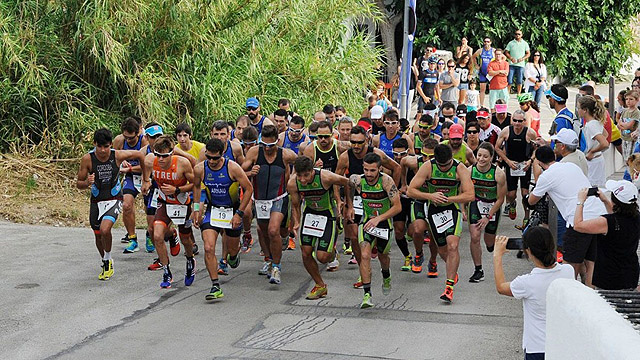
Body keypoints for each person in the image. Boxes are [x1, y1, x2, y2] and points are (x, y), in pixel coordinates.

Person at [527, 146, 606, 287]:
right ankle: (590, 291)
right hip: (598, 213)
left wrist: (538, 173)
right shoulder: (570, 165)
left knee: (570, 265)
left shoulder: (546, 176)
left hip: (579, 219)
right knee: (590, 261)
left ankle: (569, 294)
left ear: (539, 162)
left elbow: (531, 200)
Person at [493, 227, 575, 360]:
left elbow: (501, 287)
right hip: (562, 346)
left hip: (537, 347)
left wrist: (497, 255)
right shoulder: (568, 271)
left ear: (528, 251)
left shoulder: (527, 283)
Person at [76, 128, 147, 280]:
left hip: (114, 197)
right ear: (94, 144)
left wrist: (146, 179)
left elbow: (141, 155)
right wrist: (87, 183)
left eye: (106, 146)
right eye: (99, 146)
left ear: (111, 145)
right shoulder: (87, 159)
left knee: (105, 229)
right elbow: (78, 184)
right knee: (97, 235)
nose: (103, 150)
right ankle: (106, 260)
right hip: (96, 199)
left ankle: (107, 259)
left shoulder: (117, 155)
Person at [408, 144, 475, 302]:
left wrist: (448, 199)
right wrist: (431, 196)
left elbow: (470, 195)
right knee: (443, 251)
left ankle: (449, 287)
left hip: (452, 209)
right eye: (441, 165)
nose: (444, 168)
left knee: (453, 245)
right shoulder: (428, 166)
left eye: (447, 165)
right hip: (434, 211)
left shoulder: (460, 168)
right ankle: (453, 271)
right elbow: (411, 190)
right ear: (435, 160)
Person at [335, 126, 401, 283]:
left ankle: (377, 261)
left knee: (380, 246)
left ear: (367, 140)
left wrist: (393, 192)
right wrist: (341, 201)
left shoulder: (377, 154)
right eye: (353, 143)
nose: (356, 146)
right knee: (352, 235)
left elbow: (396, 168)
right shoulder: (345, 157)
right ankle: (363, 270)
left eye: (359, 143)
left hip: (377, 198)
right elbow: (337, 180)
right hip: (355, 198)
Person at [192, 138, 253, 300]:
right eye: (208, 157)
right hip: (213, 210)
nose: (211, 161)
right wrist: (196, 209)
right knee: (208, 247)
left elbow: (248, 189)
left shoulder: (232, 168)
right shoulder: (200, 169)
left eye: (215, 158)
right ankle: (215, 285)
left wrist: (239, 214)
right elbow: (197, 187)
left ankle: (233, 256)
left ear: (222, 155)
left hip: (232, 210)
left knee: (232, 250)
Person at [345, 153, 402, 308]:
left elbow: (398, 207)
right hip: (366, 223)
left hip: (383, 224)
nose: (369, 174)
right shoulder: (357, 180)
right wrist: (349, 206)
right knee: (364, 255)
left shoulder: (386, 181)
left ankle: (386, 275)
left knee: (383, 257)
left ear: (379, 169)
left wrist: (379, 218)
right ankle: (367, 294)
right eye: (366, 170)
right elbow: (348, 186)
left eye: (372, 171)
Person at [242, 125, 297, 284]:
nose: (267, 149)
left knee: (274, 230)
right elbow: (239, 172)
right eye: (264, 145)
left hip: (279, 197)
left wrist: (293, 178)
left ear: (277, 142)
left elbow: (303, 163)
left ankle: (276, 267)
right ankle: (269, 259)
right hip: (260, 199)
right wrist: (250, 173)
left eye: (270, 145)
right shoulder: (254, 152)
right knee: (263, 230)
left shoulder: (286, 154)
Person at [288, 156, 349, 300]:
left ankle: (332, 253)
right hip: (310, 215)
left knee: (323, 258)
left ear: (312, 171)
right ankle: (320, 285)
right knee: (306, 253)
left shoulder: (325, 177)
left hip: (327, 215)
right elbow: (295, 206)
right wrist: (296, 222)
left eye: (306, 175)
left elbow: (348, 183)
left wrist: (347, 204)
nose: (302, 180)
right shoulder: (293, 183)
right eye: (299, 175)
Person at [141, 135, 196, 289]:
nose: (161, 159)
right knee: (156, 234)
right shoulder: (151, 160)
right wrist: (146, 181)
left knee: (186, 239)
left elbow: (195, 184)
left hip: (181, 203)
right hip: (163, 202)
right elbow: (145, 165)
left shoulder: (182, 164)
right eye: (158, 155)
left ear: (172, 153)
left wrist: (177, 189)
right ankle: (166, 272)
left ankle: (190, 260)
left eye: (165, 156)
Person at [573, 180, 640, 290]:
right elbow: (617, 217)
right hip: (630, 272)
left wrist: (580, 201)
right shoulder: (636, 217)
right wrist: (604, 200)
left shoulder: (606, 222)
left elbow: (578, 225)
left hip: (608, 276)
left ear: (614, 200)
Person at [467, 143, 506, 282]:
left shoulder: (498, 174)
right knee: (475, 236)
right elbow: (464, 191)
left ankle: (491, 246)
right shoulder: (470, 170)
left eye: (485, 156)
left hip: (493, 205)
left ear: (491, 158)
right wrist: (463, 209)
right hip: (476, 204)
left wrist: (488, 217)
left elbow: (501, 199)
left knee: (489, 241)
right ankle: (478, 270)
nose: (481, 159)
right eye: (479, 155)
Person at [402, 137, 440, 275]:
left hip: (435, 202)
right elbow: (403, 162)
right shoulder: (414, 162)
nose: (426, 159)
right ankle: (418, 254)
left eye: (430, 157)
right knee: (417, 230)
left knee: (434, 234)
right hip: (419, 200)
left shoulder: (441, 164)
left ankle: (433, 261)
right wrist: (403, 183)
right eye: (424, 155)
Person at [112, 117, 150, 253]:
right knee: (127, 205)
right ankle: (132, 238)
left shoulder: (145, 141)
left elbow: (147, 165)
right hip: (130, 177)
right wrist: (121, 163)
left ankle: (150, 234)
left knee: (149, 209)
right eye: (126, 137)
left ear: (138, 133)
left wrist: (130, 168)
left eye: (131, 138)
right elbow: (113, 159)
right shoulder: (119, 141)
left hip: (145, 176)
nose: (128, 141)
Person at [495, 109, 538, 225]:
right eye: (515, 121)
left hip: (524, 165)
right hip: (511, 165)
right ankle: (512, 203)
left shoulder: (530, 132)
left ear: (524, 121)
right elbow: (497, 148)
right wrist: (507, 161)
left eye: (520, 121)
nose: (517, 124)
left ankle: (526, 217)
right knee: (511, 194)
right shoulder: (506, 131)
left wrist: (530, 161)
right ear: (511, 120)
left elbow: (537, 148)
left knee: (525, 194)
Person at [577, 95, 609, 187]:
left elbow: (604, 143)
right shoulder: (596, 122)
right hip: (596, 160)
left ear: (585, 110)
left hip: (593, 162)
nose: (578, 110)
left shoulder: (591, 126)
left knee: (592, 188)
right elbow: (605, 134)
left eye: (579, 108)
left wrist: (592, 151)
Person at [505, 29, 530, 96]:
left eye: (519, 34)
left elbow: (528, 53)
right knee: (509, 80)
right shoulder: (511, 43)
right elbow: (506, 52)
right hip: (511, 64)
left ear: (522, 35)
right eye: (516, 34)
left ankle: (519, 94)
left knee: (519, 80)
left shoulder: (525, 43)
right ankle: (507, 94)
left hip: (521, 65)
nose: (517, 35)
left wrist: (522, 59)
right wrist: (511, 58)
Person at [473, 37, 495, 107]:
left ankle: (492, 105)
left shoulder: (493, 50)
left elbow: (503, 57)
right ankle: (481, 105)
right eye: (485, 41)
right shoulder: (480, 50)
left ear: (490, 42)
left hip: (491, 73)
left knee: (492, 90)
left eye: (488, 42)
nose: (486, 43)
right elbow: (473, 57)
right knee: (482, 89)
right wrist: (476, 65)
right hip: (482, 72)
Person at [416, 56, 440, 121]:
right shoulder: (424, 73)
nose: (432, 65)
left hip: (432, 96)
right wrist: (424, 97)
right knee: (419, 114)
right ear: (428, 64)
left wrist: (439, 97)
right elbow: (418, 87)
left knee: (433, 114)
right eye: (431, 63)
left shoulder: (436, 73)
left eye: (434, 63)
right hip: (423, 96)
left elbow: (437, 86)